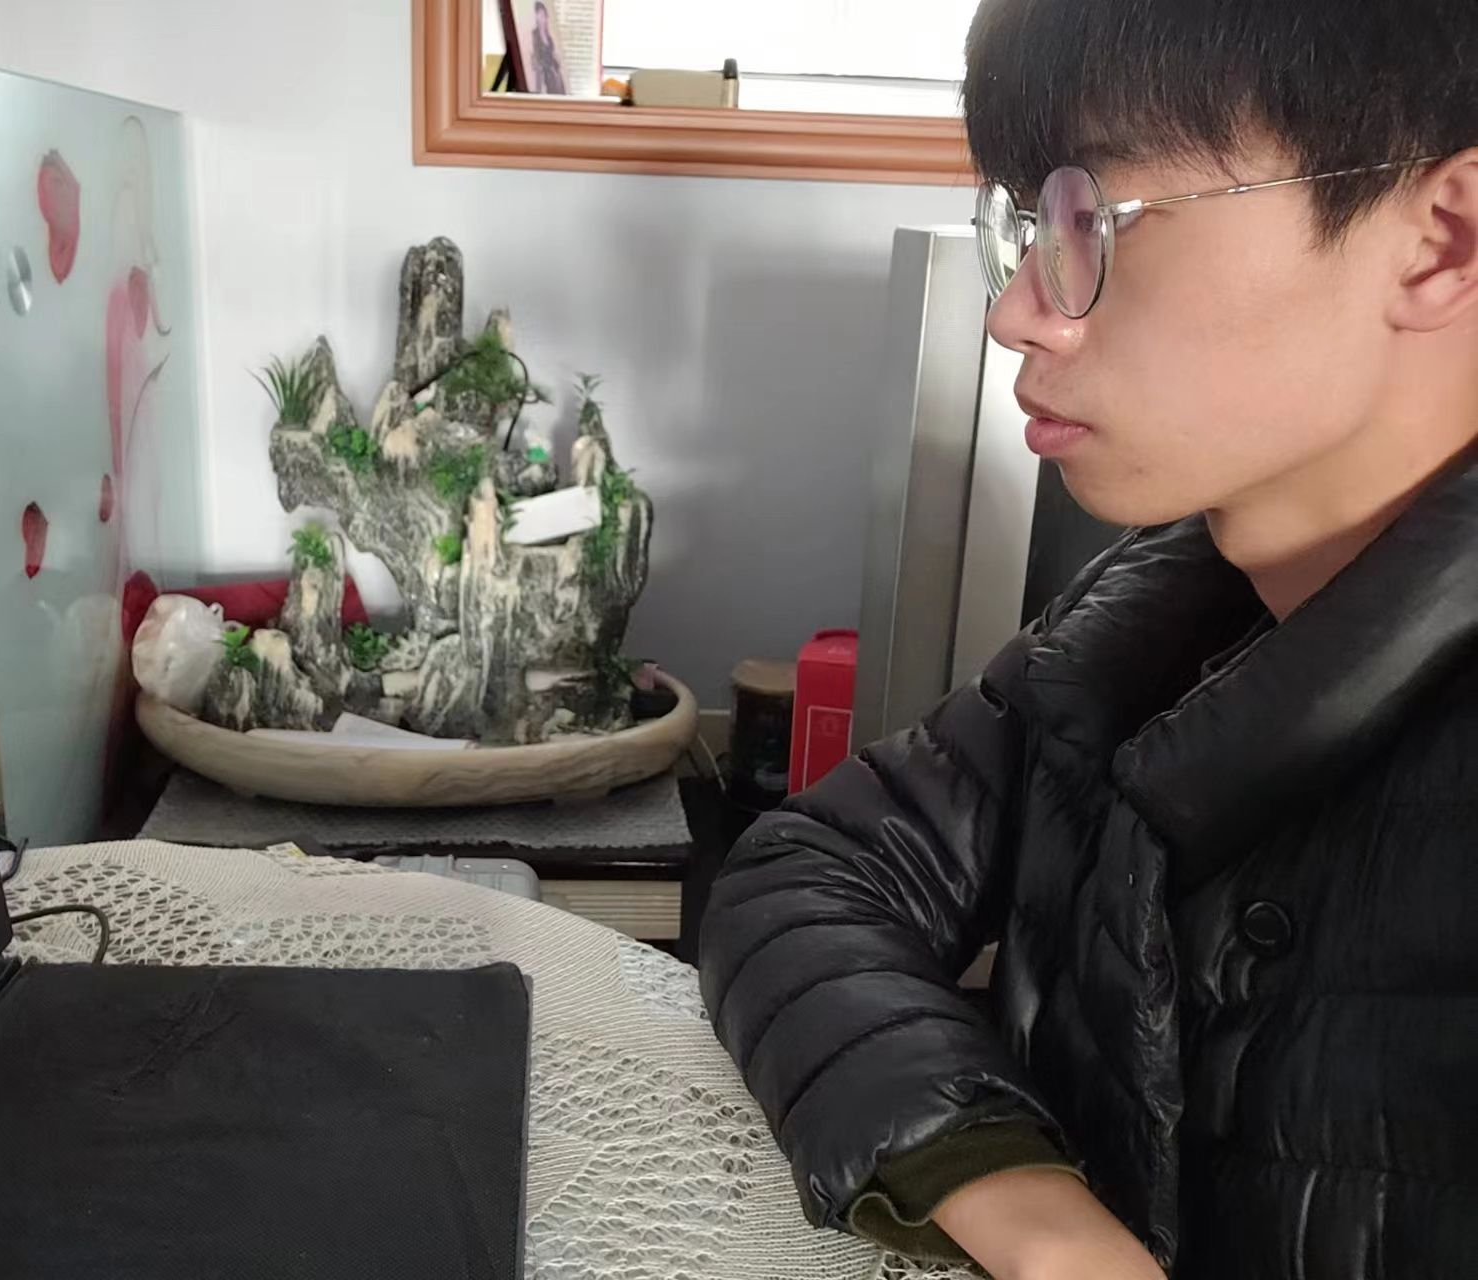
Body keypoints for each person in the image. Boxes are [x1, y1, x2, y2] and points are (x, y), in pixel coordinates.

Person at [698, 1, 1478, 1277]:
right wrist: (1022, 1207)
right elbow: (809, 868)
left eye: (1094, 219)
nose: (1014, 312)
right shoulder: (1140, 620)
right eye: (1027, 221)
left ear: (1438, 240)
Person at [529, 1, 567, 96]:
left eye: (544, 15)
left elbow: (553, 54)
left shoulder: (549, 37)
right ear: (536, 16)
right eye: (540, 15)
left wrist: (557, 61)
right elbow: (535, 57)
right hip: (544, 73)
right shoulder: (534, 35)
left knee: (559, 87)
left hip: (554, 72)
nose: (543, 18)